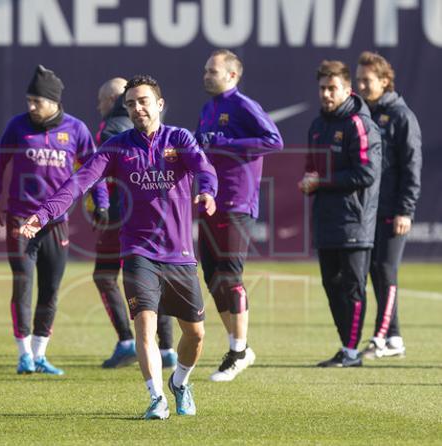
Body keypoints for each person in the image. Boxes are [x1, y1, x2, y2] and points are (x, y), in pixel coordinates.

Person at [20, 75, 218, 420]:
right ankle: (157, 398)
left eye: (143, 101)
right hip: (138, 251)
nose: (137, 108)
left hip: (180, 254)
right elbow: (79, 181)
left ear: (159, 104)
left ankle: (180, 382)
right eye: (130, 103)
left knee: (196, 335)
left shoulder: (179, 138)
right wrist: (44, 213)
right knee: (145, 326)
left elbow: (204, 167)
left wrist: (208, 191)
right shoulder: (117, 147)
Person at [0, 65, 109, 376]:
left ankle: (40, 354)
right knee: (23, 282)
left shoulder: (76, 130)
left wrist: (101, 204)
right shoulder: (17, 127)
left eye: (36, 101)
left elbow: (93, 171)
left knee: (51, 289)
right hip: (21, 220)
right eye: (28, 100)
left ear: (54, 102)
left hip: (56, 222)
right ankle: (23, 354)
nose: (30, 107)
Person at [195, 49, 283, 381]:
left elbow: (274, 140)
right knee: (212, 277)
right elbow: (202, 150)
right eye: (205, 69)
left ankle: (237, 351)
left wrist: (228, 142)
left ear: (232, 76)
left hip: (237, 202)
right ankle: (241, 348)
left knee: (230, 277)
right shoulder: (207, 109)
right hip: (210, 202)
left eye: (213, 71)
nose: (206, 75)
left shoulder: (243, 106)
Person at [299, 60, 382, 367]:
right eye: (322, 88)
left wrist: (322, 181)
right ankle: (346, 348)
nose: (326, 94)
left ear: (347, 90)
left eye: (332, 88)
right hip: (326, 218)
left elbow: (367, 173)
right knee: (331, 286)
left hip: (355, 221)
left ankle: (350, 352)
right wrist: (309, 180)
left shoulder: (359, 124)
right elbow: (312, 166)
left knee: (352, 287)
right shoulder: (318, 125)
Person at [94, 77, 176, 369]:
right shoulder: (154, 127)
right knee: (155, 278)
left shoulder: (111, 128)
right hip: (154, 214)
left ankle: (127, 341)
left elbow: (99, 171)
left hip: (120, 213)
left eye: (102, 99)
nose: (98, 105)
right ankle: (167, 348)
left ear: (113, 99)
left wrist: (100, 204)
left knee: (105, 276)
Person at [355, 52, 422, 359]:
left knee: (385, 270)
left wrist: (405, 210)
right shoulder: (364, 114)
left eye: (367, 80)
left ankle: (381, 337)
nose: (361, 85)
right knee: (374, 271)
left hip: (394, 211)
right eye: (359, 80)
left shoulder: (401, 116)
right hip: (370, 210)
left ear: (384, 81)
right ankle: (394, 338)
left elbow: (412, 167)